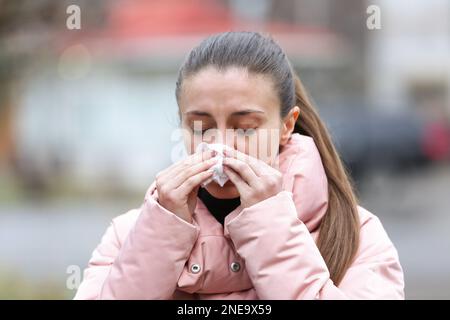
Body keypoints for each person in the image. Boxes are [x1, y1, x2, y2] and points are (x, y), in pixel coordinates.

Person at [74, 31, 404, 299]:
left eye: (245, 127)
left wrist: (269, 223)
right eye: (201, 126)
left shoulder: (355, 235)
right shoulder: (130, 233)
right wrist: (163, 230)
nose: (220, 145)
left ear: (286, 126)